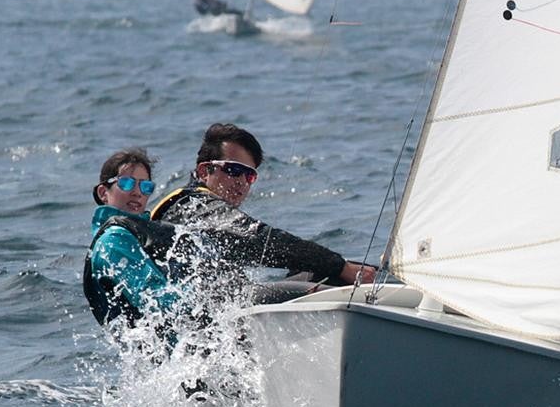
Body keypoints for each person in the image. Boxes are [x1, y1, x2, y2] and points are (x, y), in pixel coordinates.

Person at [151, 123, 376, 291]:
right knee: (336, 278)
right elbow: (259, 241)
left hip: (221, 316)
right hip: (203, 322)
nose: (240, 181)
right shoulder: (191, 205)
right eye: (233, 170)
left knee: (315, 271)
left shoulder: (203, 208)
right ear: (203, 172)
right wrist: (340, 267)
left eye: (249, 175)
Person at [83, 147, 183, 328]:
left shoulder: (138, 234)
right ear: (103, 193)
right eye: (127, 183)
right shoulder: (112, 241)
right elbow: (157, 299)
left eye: (145, 187)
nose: (137, 192)